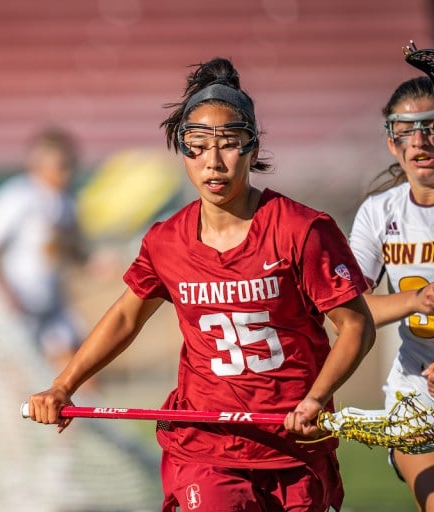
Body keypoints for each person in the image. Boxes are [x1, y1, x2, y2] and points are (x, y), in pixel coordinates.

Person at [27, 57, 376, 512]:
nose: (214, 161)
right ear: (182, 149)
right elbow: (126, 317)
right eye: (197, 144)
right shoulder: (166, 240)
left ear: (252, 148)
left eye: (229, 144)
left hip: (293, 445)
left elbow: (356, 327)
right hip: (204, 446)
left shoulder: (302, 229)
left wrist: (314, 400)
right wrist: (64, 385)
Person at [348, 54, 434, 511]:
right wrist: (414, 299)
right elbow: (349, 311)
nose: (421, 140)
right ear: (391, 143)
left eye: (432, 126)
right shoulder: (380, 213)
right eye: (407, 130)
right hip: (416, 393)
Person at [0, 127, 86, 368]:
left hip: (51, 303)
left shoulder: (65, 202)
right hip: (19, 305)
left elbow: (73, 252)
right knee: (17, 376)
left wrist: (94, 263)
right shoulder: (18, 196)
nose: (68, 172)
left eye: (71, 164)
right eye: (62, 164)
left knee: (79, 364)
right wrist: (3, 293)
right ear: (40, 164)